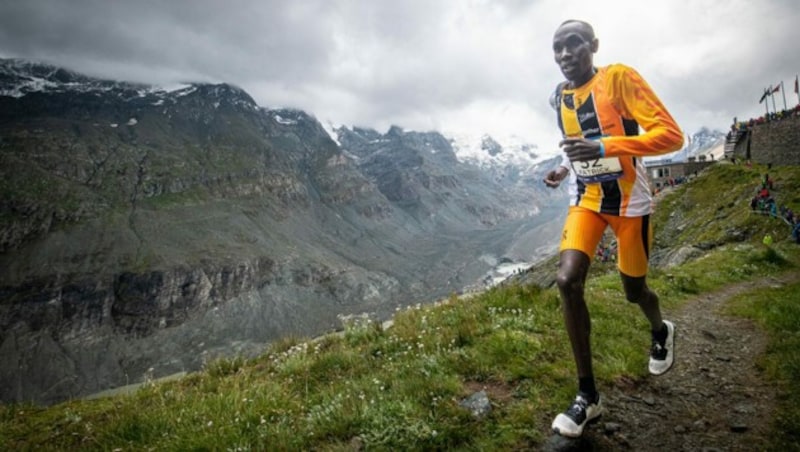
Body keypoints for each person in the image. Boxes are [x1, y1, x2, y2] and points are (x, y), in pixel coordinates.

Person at [543, 19, 682, 438]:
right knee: (567, 281)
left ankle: (661, 329)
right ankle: (588, 396)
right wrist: (563, 168)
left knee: (633, 290)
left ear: (594, 46)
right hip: (585, 200)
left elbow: (671, 136)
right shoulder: (559, 96)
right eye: (557, 48)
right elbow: (576, 141)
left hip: (628, 204)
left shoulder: (618, 79)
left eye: (574, 44)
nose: (565, 55)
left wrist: (606, 147)